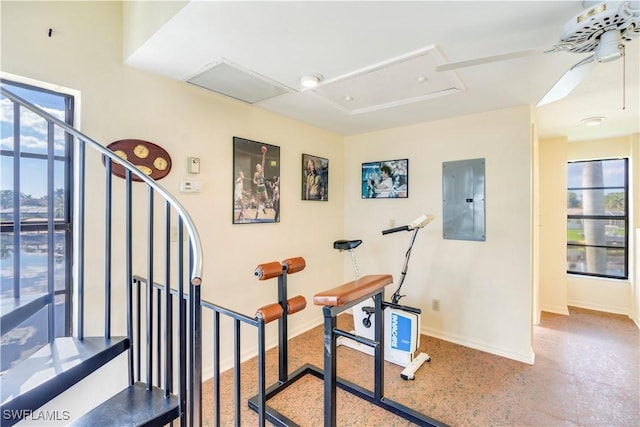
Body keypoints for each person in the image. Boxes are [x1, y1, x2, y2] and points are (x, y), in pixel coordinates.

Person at [253, 147, 270, 218]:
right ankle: (257, 212)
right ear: (256, 168)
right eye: (257, 167)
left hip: (263, 186)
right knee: (258, 201)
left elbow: (263, 162)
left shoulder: (262, 172)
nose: (258, 168)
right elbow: (253, 180)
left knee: (266, 198)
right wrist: (255, 182)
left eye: (259, 167)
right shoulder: (256, 174)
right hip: (258, 187)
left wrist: (264, 154)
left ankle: (263, 208)